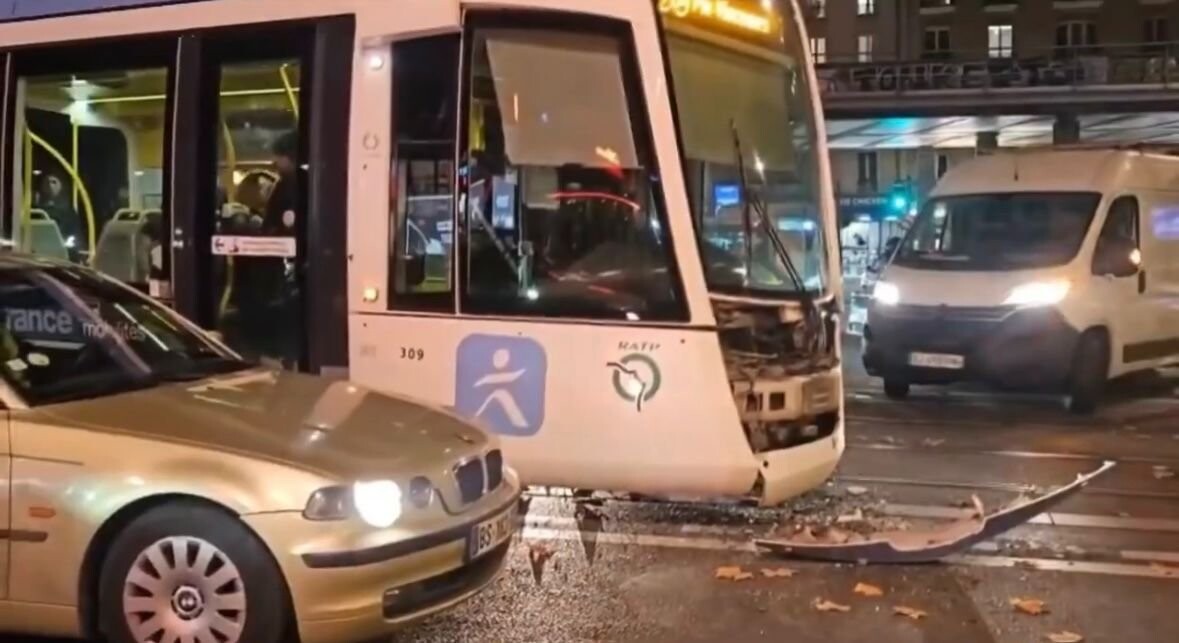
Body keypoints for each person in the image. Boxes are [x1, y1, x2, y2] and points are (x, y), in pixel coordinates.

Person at [38, 174, 83, 256]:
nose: (50, 185)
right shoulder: (36, 210)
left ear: (61, 185)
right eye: (46, 182)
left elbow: (75, 238)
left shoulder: (69, 213)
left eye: (54, 182)